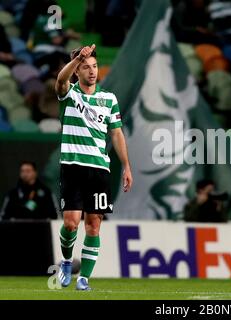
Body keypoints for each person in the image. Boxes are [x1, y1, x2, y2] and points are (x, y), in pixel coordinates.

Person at [54, 44, 133, 291]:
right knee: (70, 223)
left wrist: (127, 166)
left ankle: (84, 279)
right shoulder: (69, 94)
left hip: (99, 169)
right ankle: (67, 262)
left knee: (94, 224)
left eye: (94, 66)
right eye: (85, 67)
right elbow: (60, 80)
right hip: (72, 167)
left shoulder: (109, 99)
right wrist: (77, 58)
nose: (91, 71)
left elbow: (117, 134)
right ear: (77, 70)